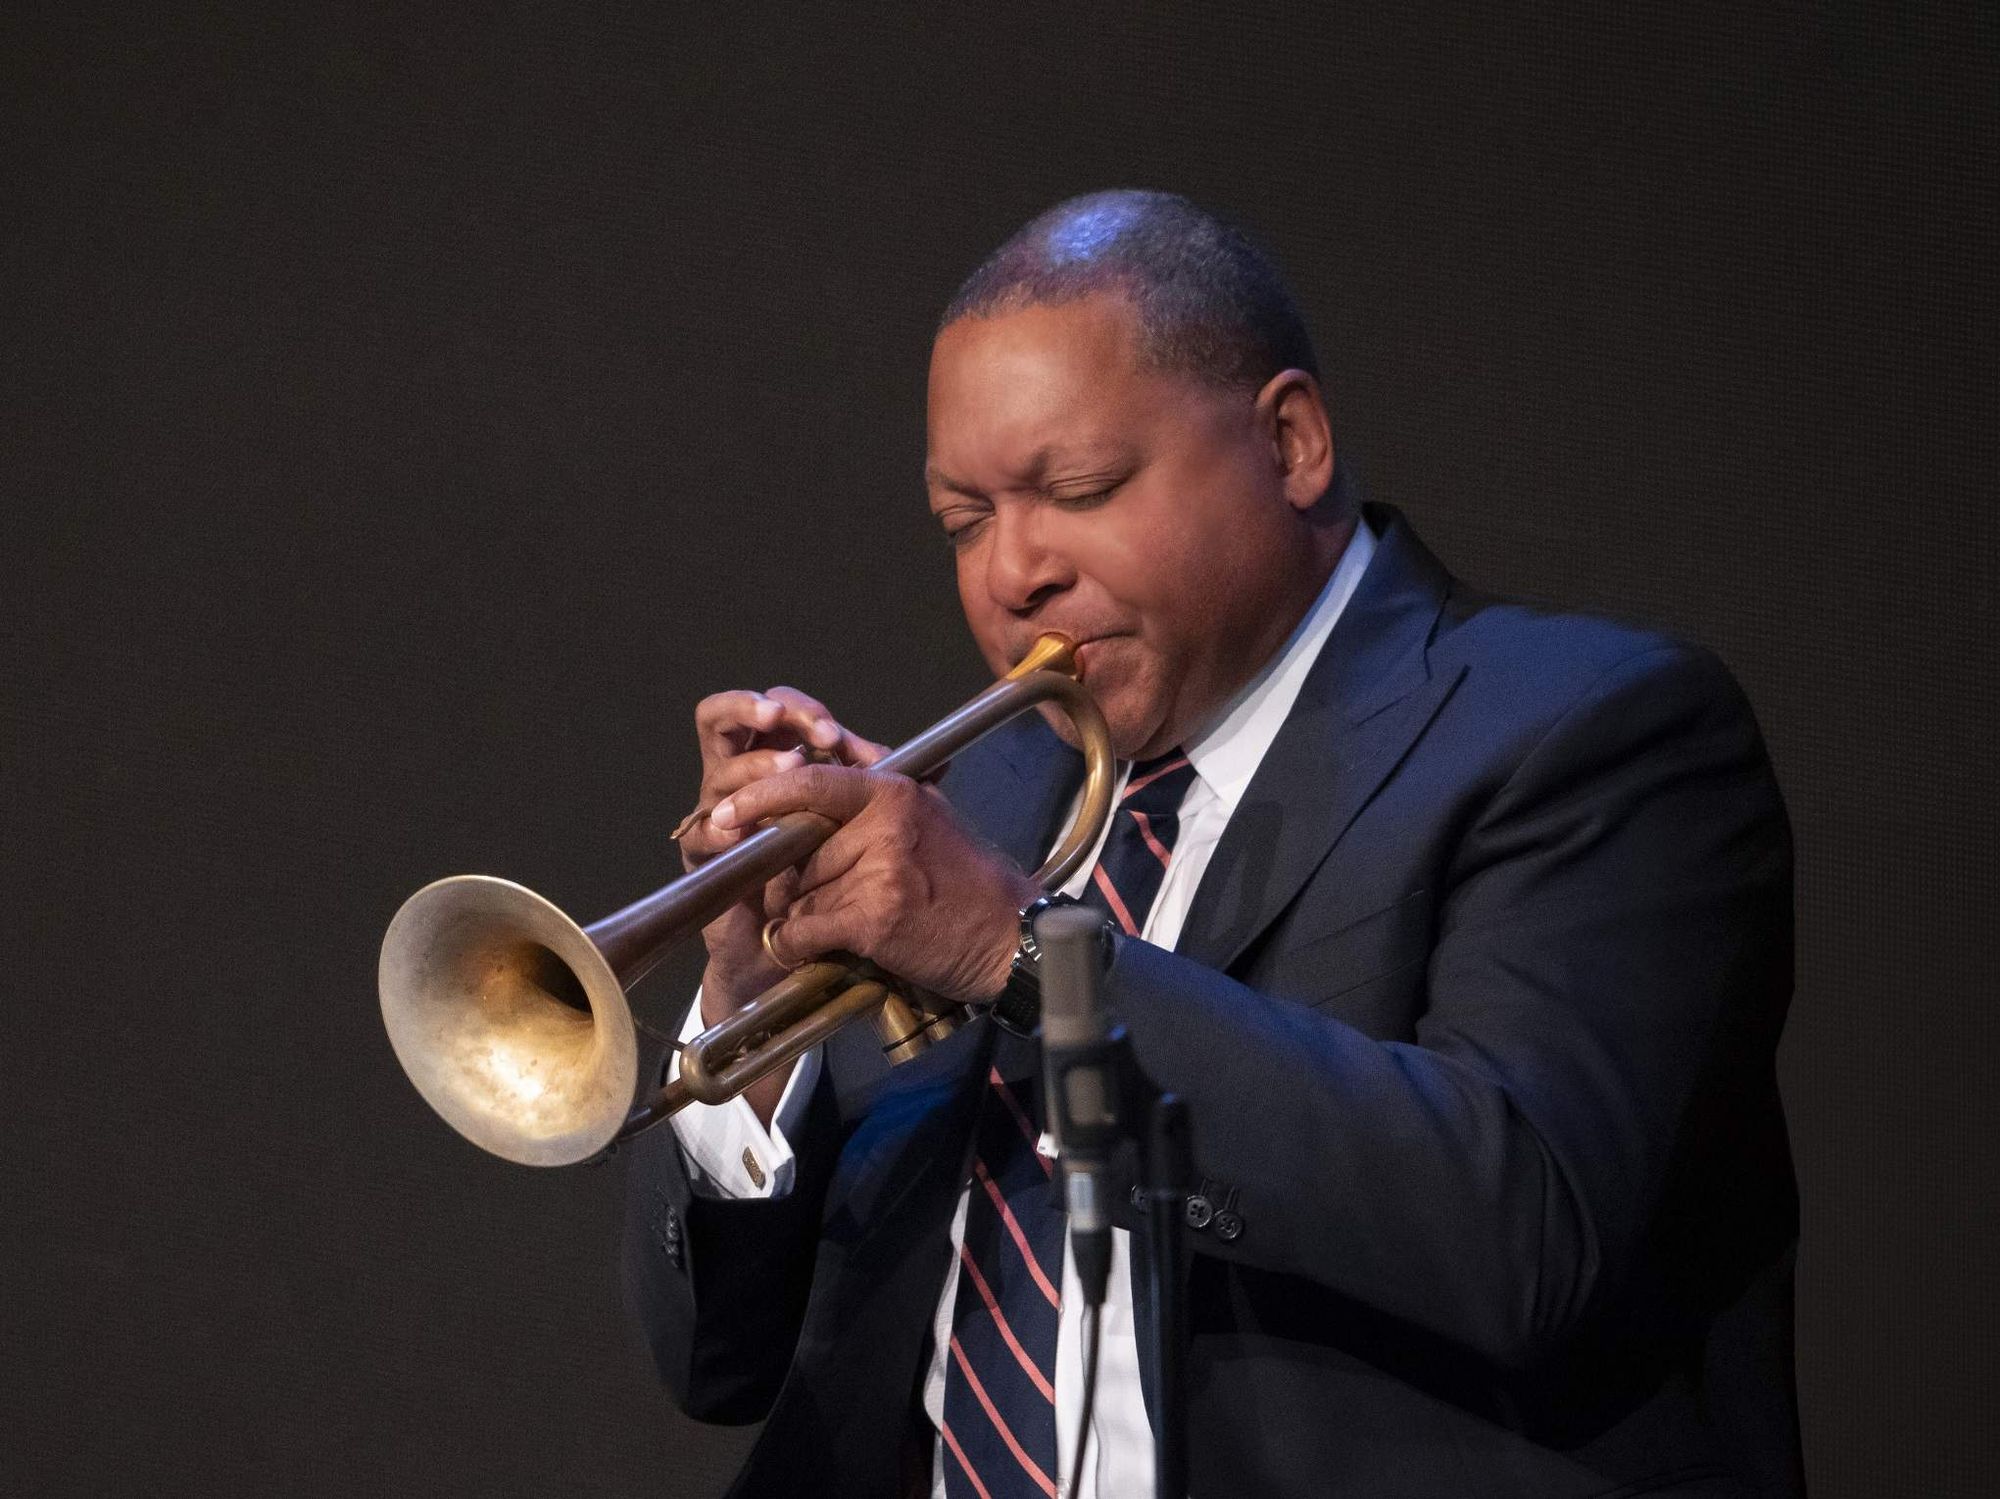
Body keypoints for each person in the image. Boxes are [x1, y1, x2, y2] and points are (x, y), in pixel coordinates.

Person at [623, 190, 1804, 1499]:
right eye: (963, 521)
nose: (1012, 573)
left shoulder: (1589, 734)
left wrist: (1013, 946)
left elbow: (1527, 1231)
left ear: (1292, 442)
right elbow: (720, 1365)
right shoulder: (1001, 797)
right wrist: (745, 994)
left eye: (1079, 489)